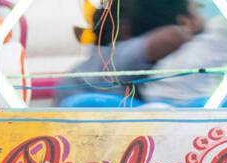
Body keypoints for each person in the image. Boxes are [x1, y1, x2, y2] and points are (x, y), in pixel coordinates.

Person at [69, 0, 205, 102]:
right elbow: (170, 38)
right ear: (124, 28)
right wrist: (192, 29)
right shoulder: (117, 56)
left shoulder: (99, 59)